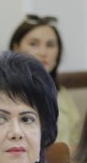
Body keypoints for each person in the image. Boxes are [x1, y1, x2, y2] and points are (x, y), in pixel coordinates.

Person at [9, 14, 82, 152]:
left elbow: (75, 144)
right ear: (16, 48)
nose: (43, 52)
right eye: (34, 44)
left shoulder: (62, 94)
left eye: (50, 45)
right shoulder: (5, 94)